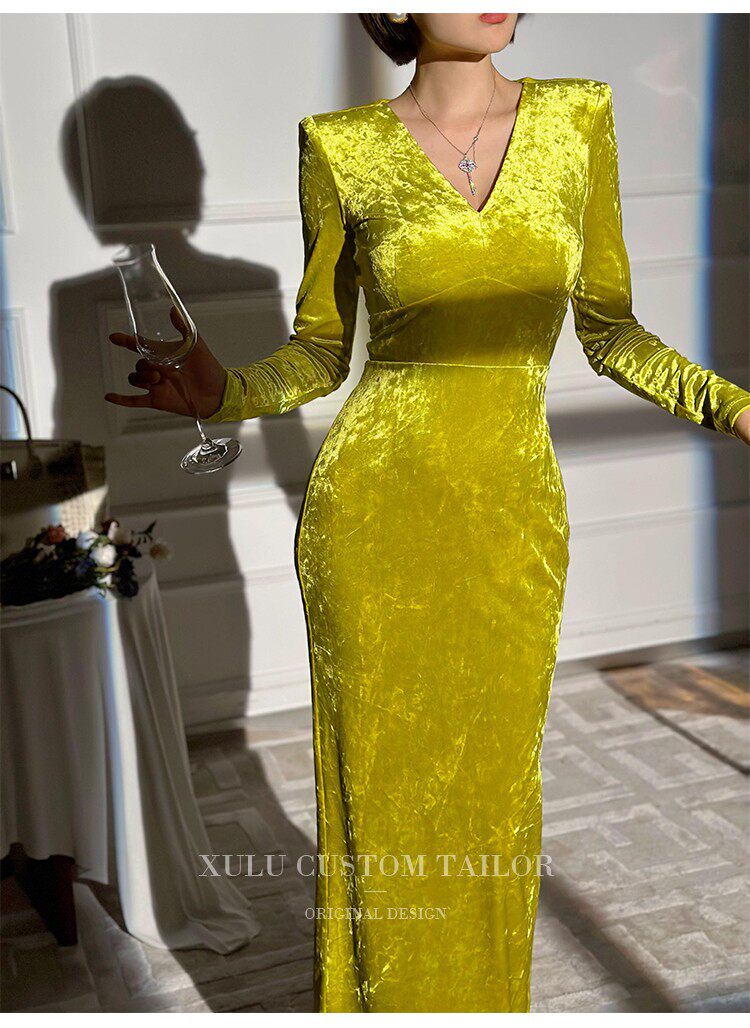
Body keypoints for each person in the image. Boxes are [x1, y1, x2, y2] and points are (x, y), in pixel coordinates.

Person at [104, 12, 750, 1013]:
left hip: (510, 519)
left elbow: (613, 332)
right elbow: (321, 350)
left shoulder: (578, 120)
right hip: (373, 515)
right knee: (383, 813)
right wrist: (222, 391)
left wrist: (735, 406)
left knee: (494, 803)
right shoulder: (341, 147)